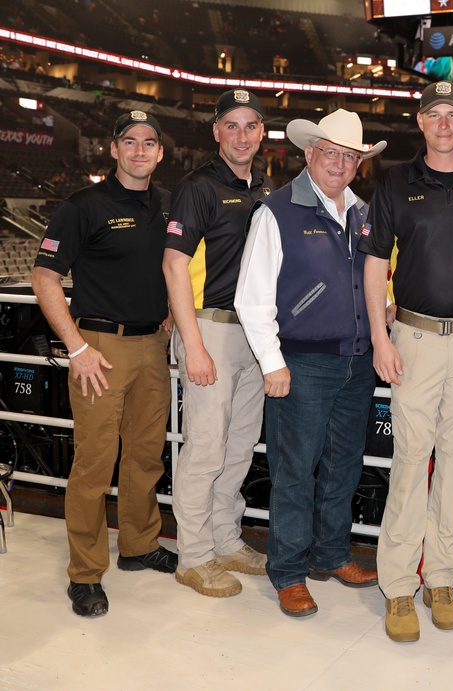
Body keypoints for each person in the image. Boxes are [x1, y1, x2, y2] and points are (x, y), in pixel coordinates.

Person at [358, 81, 453, 642]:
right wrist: (380, 337)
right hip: (413, 338)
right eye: (432, 114)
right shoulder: (394, 182)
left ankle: (442, 577)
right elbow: (374, 266)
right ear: (419, 122)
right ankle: (398, 587)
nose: (443, 123)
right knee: (409, 463)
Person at [234, 109, 386, 617]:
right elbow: (251, 298)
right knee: (295, 470)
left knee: (344, 465)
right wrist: (273, 363)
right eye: (331, 153)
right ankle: (289, 570)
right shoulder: (275, 212)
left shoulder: (365, 214)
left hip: (356, 362)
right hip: (301, 362)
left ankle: (332, 553)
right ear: (309, 154)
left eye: (349, 156)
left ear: (358, 163)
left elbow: (372, 282)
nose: (339, 163)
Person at [31, 110, 177, 618]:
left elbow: (174, 269)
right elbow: (44, 279)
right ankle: (86, 573)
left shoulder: (166, 204)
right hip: (100, 349)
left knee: (145, 456)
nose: (140, 150)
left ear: (161, 153)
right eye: (129, 141)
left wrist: (172, 316)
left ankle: (138, 544)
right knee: (94, 463)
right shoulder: (83, 207)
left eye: (149, 142)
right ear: (113, 149)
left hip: (153, 346)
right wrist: (76, 347)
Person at [163, 89, 273, 598]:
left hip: (254, 332)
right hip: (209, 328)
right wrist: (193, 343)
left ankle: (226, 539)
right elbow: (173, 265)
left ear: (262, 133)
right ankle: (194, 555)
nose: (242, 135)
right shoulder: (198, 187)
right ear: (216, 132)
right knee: (205, 448)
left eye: (251, 125)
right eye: (232, 125)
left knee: (239, 445)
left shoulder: (267, 188)